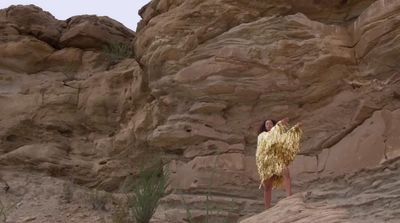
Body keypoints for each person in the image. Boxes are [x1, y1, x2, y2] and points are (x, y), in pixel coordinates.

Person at [256, 117, 303, 209]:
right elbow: (269, 140)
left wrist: (295, 128)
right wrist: (279, 125)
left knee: (285, 172)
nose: (269, 125)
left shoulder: (278, 134)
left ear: (273, 125)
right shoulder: (262, 135)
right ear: (265, 127)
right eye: (267, 124)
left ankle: (289, 196)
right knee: (267, 187)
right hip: (267, 162)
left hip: (277, 160)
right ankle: (267, 209)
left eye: (270, 123)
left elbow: (286, 138)